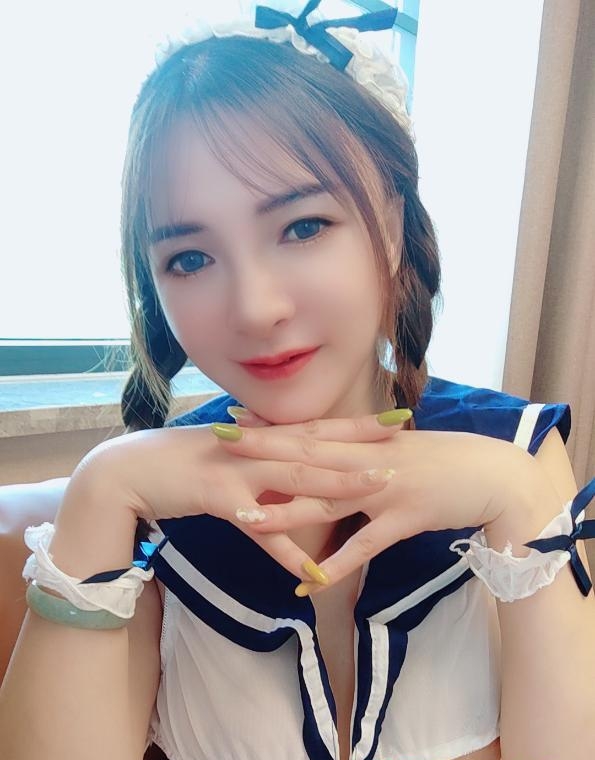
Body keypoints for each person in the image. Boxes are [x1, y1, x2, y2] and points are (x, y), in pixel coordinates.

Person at [1, 3, 594, 759]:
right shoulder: (152, 504)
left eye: (303, 226)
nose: (256, 308)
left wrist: (519, 497)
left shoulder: (516, 450)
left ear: (391, 225)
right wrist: (101, 483)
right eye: (190, 258)